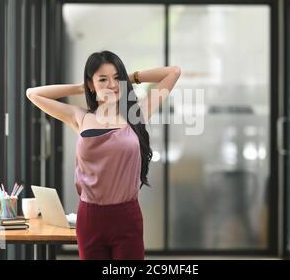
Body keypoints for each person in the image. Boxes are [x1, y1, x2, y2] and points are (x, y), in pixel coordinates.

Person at [26, 50, 181, 259]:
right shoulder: (80, 117)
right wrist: (79, 88)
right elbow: (33, 94)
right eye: (103, 79)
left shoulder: (137, 113)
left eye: (117, 78)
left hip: (127, 217)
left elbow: (173, 72)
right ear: (91, 84)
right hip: (90, 218)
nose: (112, 85)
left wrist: (132, 77)